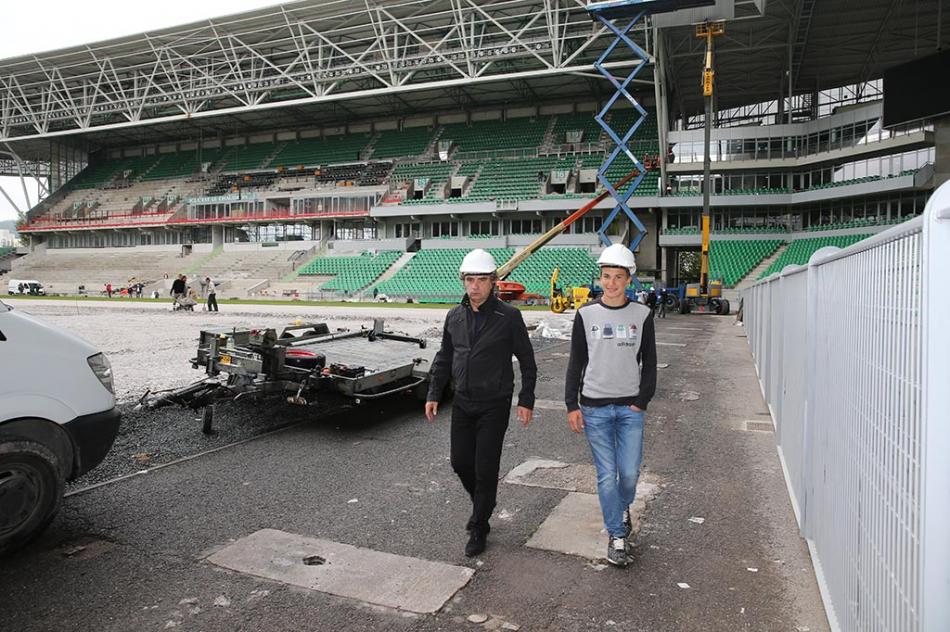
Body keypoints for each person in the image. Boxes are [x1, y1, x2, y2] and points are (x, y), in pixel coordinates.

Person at [425, 248, 537, 558]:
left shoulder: (509, 317)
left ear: (493, 282)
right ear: (463, 281)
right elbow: (445, 357)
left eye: (481, 280)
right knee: (461, 462)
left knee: (485, 468)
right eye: (470, 279)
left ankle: (479, 525)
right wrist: (434, 393)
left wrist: (526, 399)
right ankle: (484, 503)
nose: (475, 286)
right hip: (462, 402)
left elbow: (527, 361)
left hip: (494, 403)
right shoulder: (454, 316)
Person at [564, 243, 657, 567]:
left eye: (619, 277)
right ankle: (617, 536)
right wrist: (571, 405)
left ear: (628, 279)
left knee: (629, 474)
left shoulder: (642, 315)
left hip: (630, 410)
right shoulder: (586, 314)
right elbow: (576, 362)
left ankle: (621, 505)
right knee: (606, 475)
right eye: (607, 276)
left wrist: (641, 401)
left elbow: (650, 362)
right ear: (600, 279)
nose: (612, 283)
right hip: (595, 408)